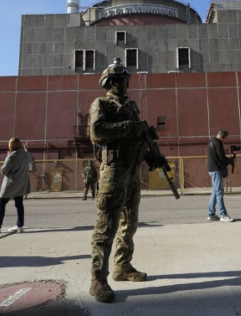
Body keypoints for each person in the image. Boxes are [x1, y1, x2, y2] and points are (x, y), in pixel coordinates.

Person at [88, 58, 148, 303]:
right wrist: (128, 127)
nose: (124, 84)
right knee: (107, 225)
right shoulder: (101, 103)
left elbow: (137, 134)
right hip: (113, 172)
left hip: (132, 171)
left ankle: (122, 266)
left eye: (125, 80)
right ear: (109, 82)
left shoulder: (131, 107)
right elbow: (96, 131)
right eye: (118, 80)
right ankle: (97, 280)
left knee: (129, 223)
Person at [0, 137, 32, 234]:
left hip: (11, 183)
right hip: (22, 183)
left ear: (11, 145)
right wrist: (26, 150)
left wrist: (7, 158)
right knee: (19, 204)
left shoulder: (12, 156)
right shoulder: (25, 155)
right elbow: (32, 159)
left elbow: (4, 171)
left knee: (1, 203)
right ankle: (20, 225)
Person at [206, 130, 235, 222]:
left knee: (215, 191)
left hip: (211, 169)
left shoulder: (211, 142)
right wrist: (230, 161)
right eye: (226, 138)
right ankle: (223, 215)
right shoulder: (218, 143)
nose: (226, 140)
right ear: (222, 137)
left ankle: (211, 214)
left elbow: (218, 157)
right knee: (219, 192)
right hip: (215, 169)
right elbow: (221, 157)